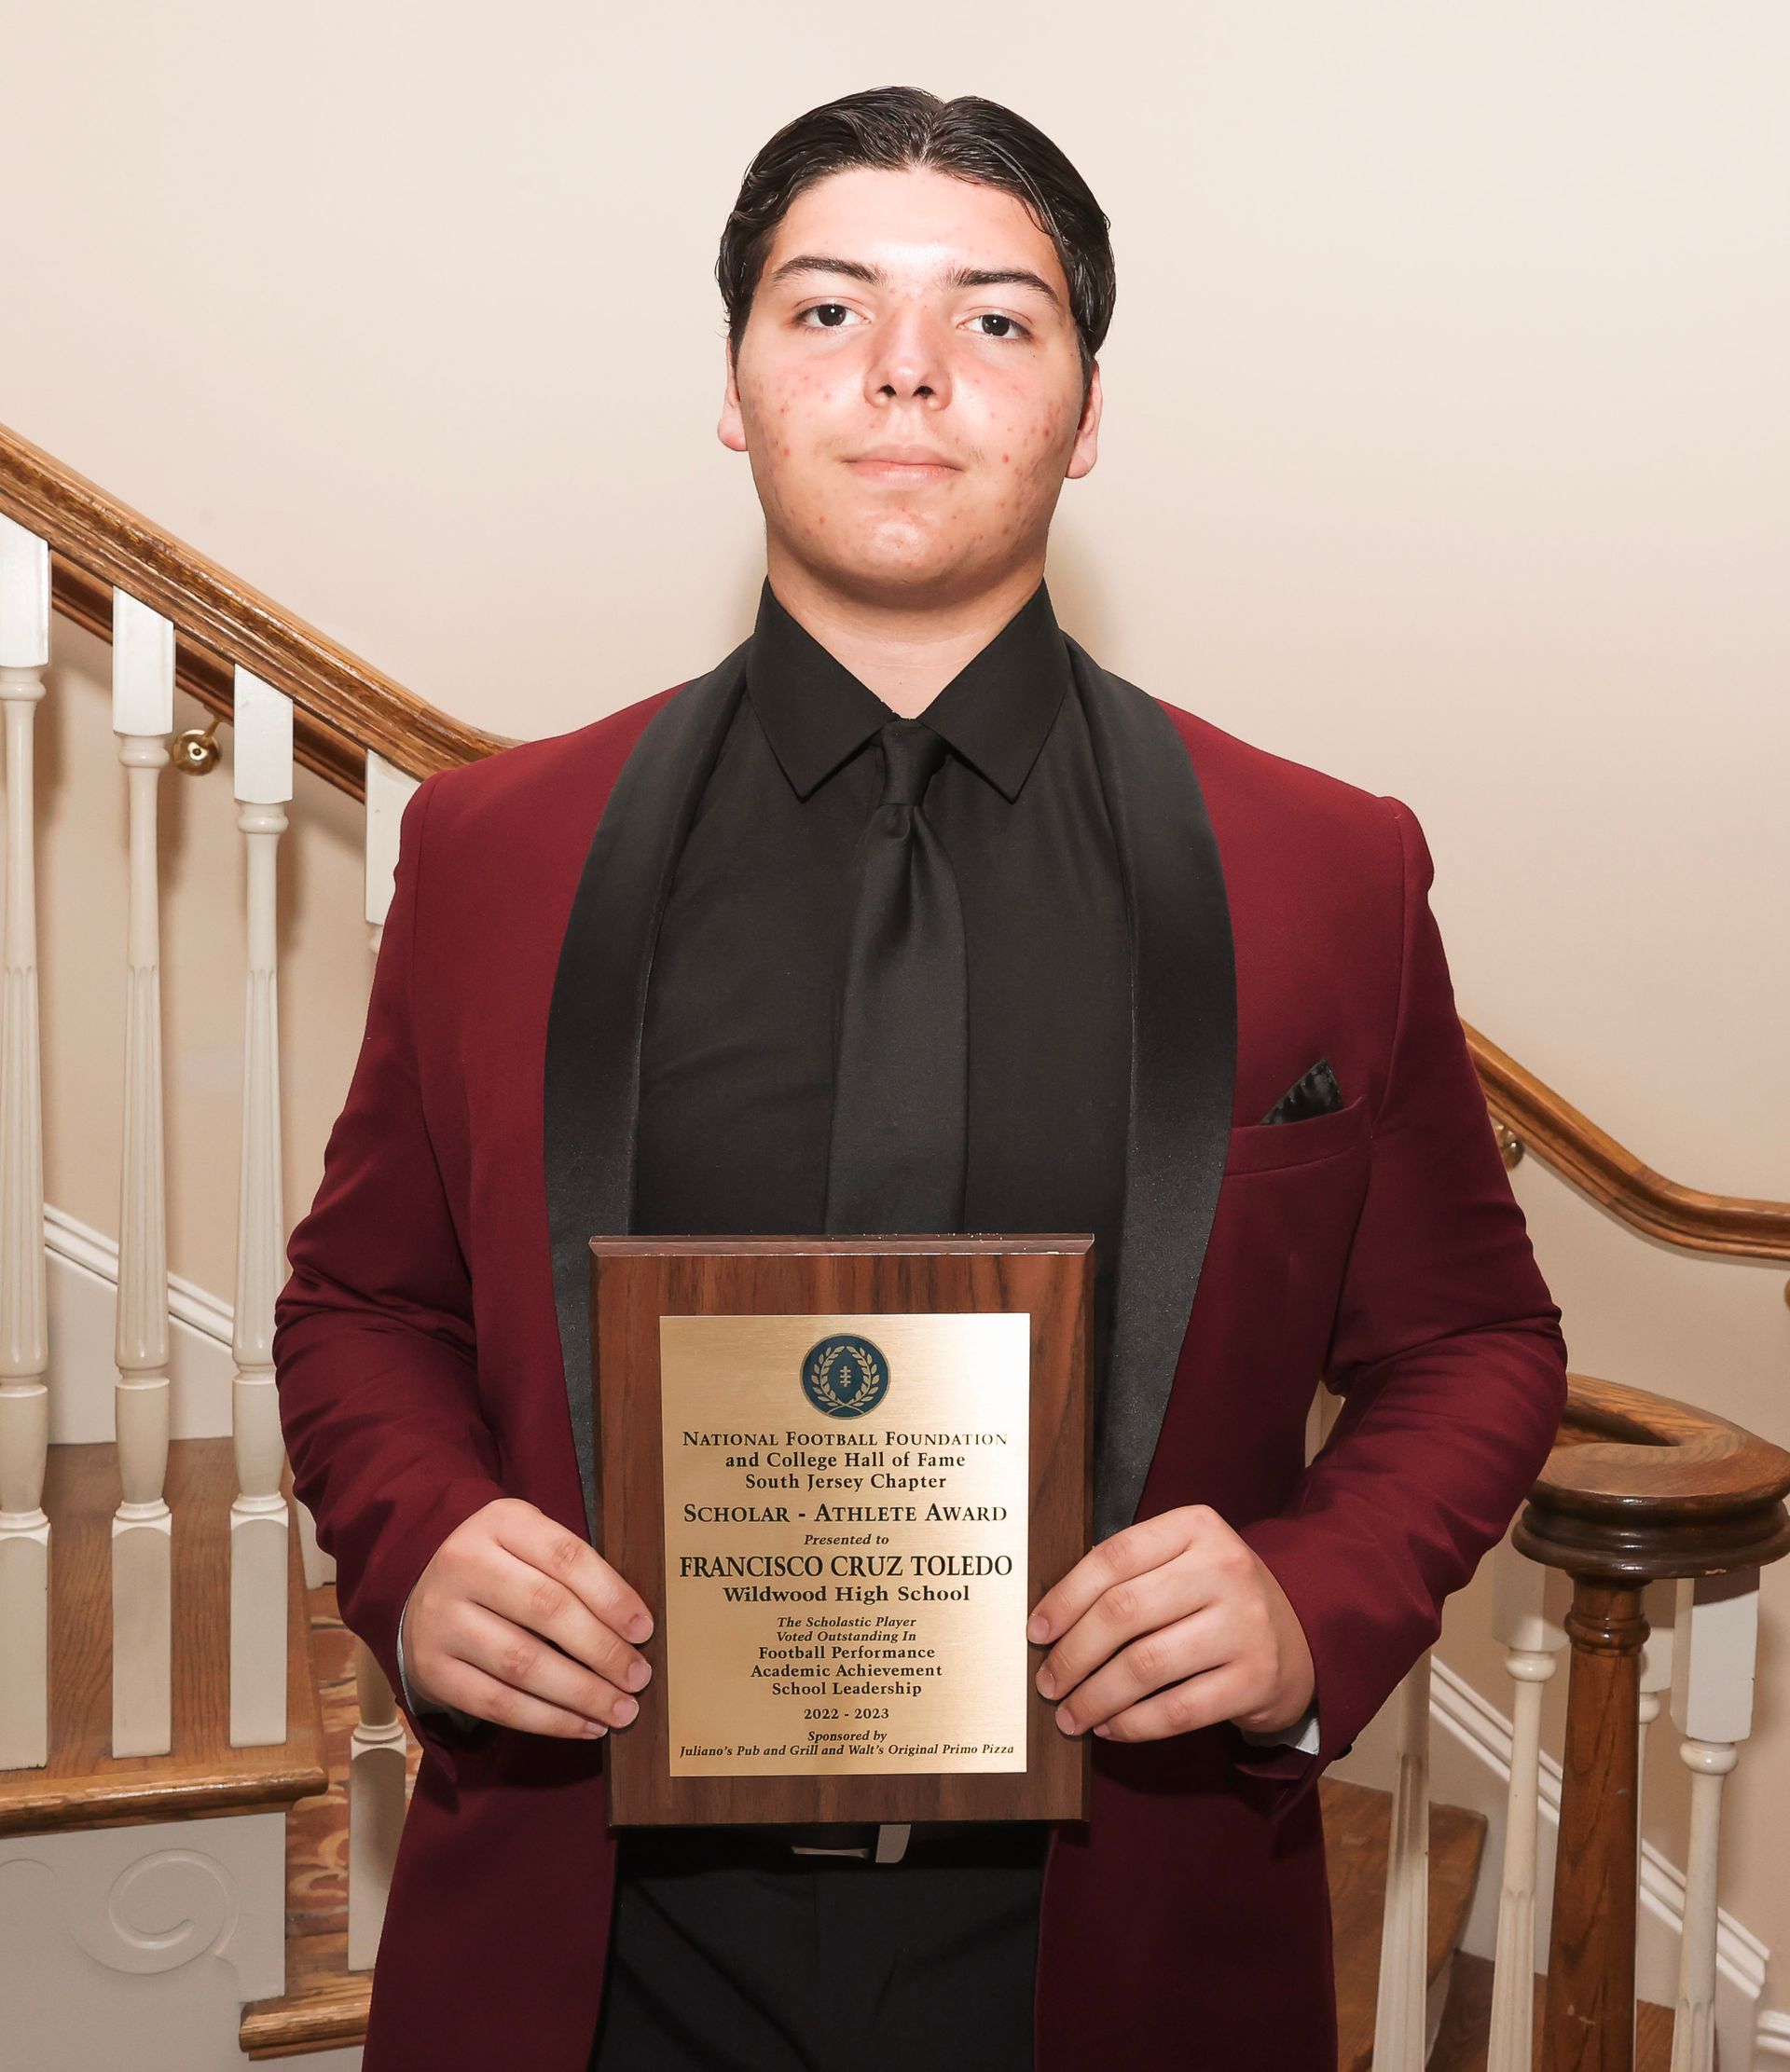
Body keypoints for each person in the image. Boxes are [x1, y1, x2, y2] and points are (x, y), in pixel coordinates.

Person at [272, 85, 1568, 2072]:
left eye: (994, 316)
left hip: (1118, 1950)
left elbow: (1475, 1337)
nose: (905, 368)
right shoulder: (489, 850)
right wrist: (420, 1535)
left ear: (1088, 406)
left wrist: (1314, 1597)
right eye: (826, 309)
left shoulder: (1326, 864)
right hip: (594, 1947)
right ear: (733, 383)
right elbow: (366, 1301)